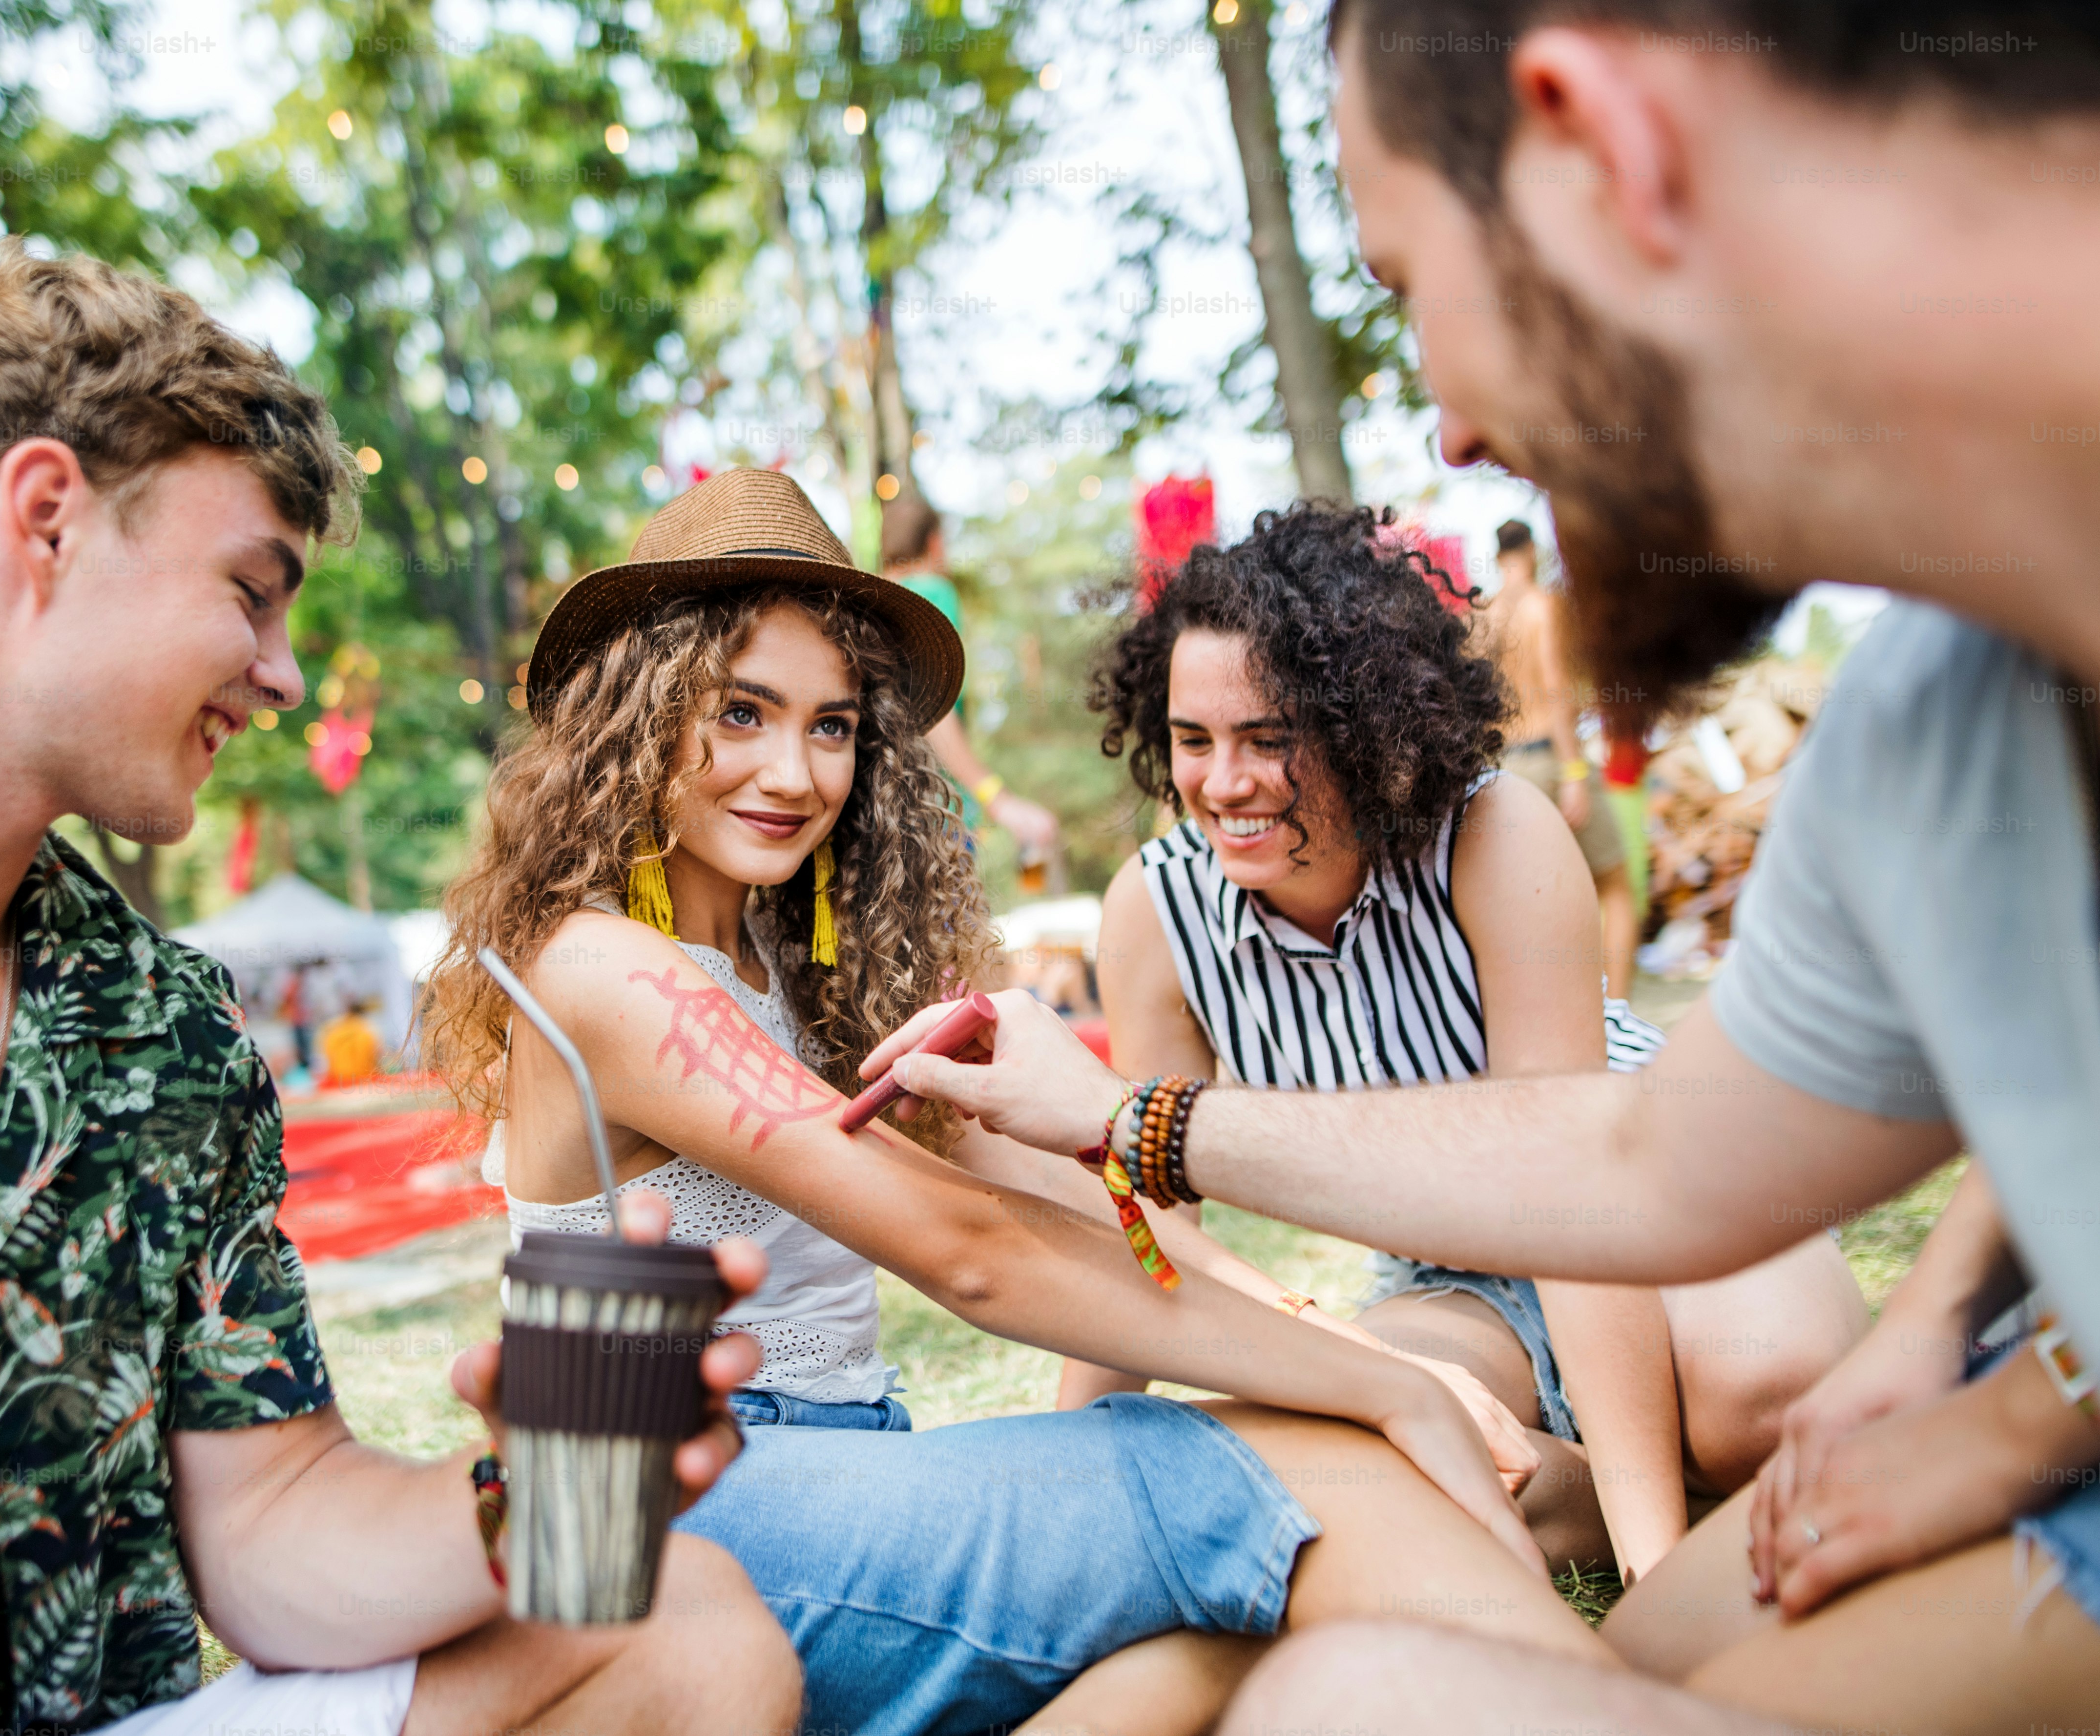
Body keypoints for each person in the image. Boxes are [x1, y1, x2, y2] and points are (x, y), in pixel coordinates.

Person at [862, 1, 2100, 1728]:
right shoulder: (1934, 704)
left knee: (1363, 1696)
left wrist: (2028, 1409)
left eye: (1411, 284)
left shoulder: (1504, 832)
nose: (1445, 435)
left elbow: (1635, 1174)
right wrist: (1122, 1119)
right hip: (1807, 1348)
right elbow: (1657, 1157)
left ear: (1595, 143)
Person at [0, 240, 798, 1736]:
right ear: (45, 519)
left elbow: (270, 1525)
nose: (284, 672)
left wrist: (527, 1486)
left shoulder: (162, 1025)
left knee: (687, 1621)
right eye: (252, 592)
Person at [423, 466, 1611, 1736]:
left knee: (1287, 1595)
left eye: (831, 724)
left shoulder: (799, 966)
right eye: (741, 711)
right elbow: (971, 1249)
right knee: (1323, 1483)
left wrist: (1358, 1356)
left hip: (840, 1473)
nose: (791, 769)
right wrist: (1381, 1390)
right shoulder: (605, 969)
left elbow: (1073, 1203)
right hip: (675, 1521)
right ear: (638, 711)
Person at [1049, 503, 1862, 1586]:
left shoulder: (1492, 834)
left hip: (1648, 1190)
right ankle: (1628, 1484)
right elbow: (1146, 1223)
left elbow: (1573, 1180)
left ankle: (1669, 1494)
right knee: (1383, 1459)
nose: (1221, 783)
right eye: (1193, 740)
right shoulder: (1156, 913)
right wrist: (1065, 1471)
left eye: (1266, 737)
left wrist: (1652, 1578)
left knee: (1759, 1405)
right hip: (1456, 1272)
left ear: (1355, 721)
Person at [1482, 519, 1640, 996]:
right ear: (1530, 551)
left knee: (1532, 900)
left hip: (1507, 765)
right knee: (1615, 889)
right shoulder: (1541, 605)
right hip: (1551, 758)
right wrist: (1574, 772)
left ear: (1496, 557)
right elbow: (1554, 688)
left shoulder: (1485, 614)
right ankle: (1614, 1017)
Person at [880, 490, 1062, 879]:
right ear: (934, 542)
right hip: (936, 814)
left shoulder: (878, 598)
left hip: (886, 813)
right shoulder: (931, 590)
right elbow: (933, 711)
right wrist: (999, 800)